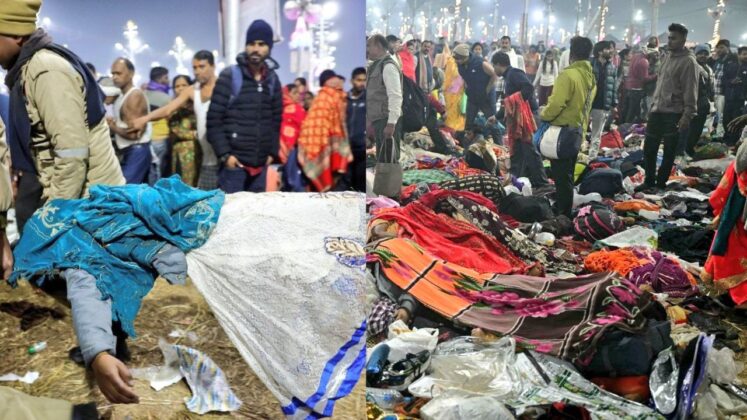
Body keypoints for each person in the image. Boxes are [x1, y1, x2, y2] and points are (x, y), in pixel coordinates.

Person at [0, 0, 129, 403]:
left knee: (74, 272)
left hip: (89, 196)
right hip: (77, 194)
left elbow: (71, 154)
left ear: (16, 34)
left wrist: (54, 216)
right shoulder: (28, 70)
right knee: (74, 275)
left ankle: (110, 352)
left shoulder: (45, 70)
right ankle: (108, 346)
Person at [206, 19, 282, 193]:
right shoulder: (230, 76)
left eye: (262, 44)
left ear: (269, 48)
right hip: (234, 166)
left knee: (255, 216)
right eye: (251, 43)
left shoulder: (272, 80)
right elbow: (213, 120)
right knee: (231, 216)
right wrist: (226, 156)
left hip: (261, 166)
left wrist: (271, 153)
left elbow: (276, 121)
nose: (256, 49)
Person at [130, 51, 220, 190]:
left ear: (213, 66)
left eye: (201, 67)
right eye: (194, 68)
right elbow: (168, 109)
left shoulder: (223, 86)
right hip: (206, 157)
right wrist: (145, 118)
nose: (197, 71)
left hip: (222, 151)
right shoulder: (192, 90)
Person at [637, 23, 698, 194]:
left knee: (669, 151)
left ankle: (660, 183)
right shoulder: (667, 57)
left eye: (674, 38)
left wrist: (687, 115)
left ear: (683, 40)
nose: (670, 41)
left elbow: (690, 90)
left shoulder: (688, 62)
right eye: (669, 38)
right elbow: (660, 84)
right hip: (657, 111)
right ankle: (649, 181)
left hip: (674, 113)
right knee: (649, 148)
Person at [540, 36, 596, 218]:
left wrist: (543, 115)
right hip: (578, 130)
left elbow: (557, 104)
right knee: (568, 174)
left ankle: (563, 213)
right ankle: (566, 209)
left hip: (562, 131)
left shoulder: (568, 75)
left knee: (561, 175)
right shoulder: (590, 76)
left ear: (571, 54)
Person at [490, 52, 548, 187]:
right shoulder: (508, 77)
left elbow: (528, 87)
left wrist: (518, 104)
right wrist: (496, 116)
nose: (494, 70)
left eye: (494, 66)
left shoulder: (514, 73)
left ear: (499, 64)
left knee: (529, 150)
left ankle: (542, 183)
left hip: (527, 118)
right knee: (517, 151)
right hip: (518, 120)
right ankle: (515, 179)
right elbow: (509, 104)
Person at [297, 70, 351, 192]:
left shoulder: (337, 96)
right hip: (325, 139)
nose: (335, 81)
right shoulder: (327, 97)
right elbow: (315, 122)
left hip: (331, 139)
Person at [366, 34, 403, 198]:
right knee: (383, 159)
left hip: (386, 120)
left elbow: (395, 95)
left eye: (369, 46)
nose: (367, 50)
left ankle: (393, 197)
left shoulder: (388, 66)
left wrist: (391, 123)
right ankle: (387, 196)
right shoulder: (375, 65)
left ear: (379, 47)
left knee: (390, 160)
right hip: (379, 119)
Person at [109, 58, 152, 184]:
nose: (115, 77)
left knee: (125, 192)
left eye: (119, 73)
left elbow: (134, 134)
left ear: (131, 74)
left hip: (136, 150)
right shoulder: (122, 95)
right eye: (113, 74)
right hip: (130, 151)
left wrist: (112, 126)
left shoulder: (134, 96)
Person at [454, 43, 498, 134]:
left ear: (464, 57)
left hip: (486, 97)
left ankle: (499, 143)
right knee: (468, 123)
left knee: (492, 122)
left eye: (458, 58)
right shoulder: (460, 64)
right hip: (472, 95)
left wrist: (487, 90)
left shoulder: (480, 63)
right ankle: (466, 144)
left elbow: (494, 74)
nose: (456, 61)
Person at [682, 44, 715, 157]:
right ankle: (684, 149)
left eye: (705, 54)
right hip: (690, 103)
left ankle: (689, 148)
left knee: (697, 129)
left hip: (703, 103)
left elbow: (710, 87)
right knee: (687, 128)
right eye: (700, 53)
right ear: (695, 55)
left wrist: (711, 101)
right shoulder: (691, 67)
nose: (703, 56)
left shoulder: (709, 69)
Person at [168, 75, 200, 187]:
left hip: (199, 150)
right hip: (180, 151)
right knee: (182, 184)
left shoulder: (198, 104)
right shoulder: (171, 108)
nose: (180, 88)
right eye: (177, 86)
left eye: (184, 85)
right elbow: (176, 130)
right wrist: (196, 134)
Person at [588, 41, 618, 160]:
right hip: (588, 104)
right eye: (608, 49)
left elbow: (613, 86)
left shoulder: (612, 67)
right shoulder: (590, 64)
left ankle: (591, 157)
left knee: (597, 134)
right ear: (600, 51)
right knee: (579, 131)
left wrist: (614, 104)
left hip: (602, 105)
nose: (611, 51)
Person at [143, 66, 172, 184]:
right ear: (160, 79)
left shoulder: (142, 94)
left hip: (146, 137)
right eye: (166, 77)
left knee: (151, 170)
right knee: (159, 171)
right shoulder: (165, 98)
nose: (168, 80)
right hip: (160, 137)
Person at [622, 46, 656, 123]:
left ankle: (622, 126)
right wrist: (656, 76)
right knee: (632, 112)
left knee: (627, 110)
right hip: (637, 89)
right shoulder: (644, 61)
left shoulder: (635, 57)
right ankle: (627, 128)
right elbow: (644, 79)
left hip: (629, 87)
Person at [711, 39, 737, 137]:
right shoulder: (718, 60)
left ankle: (723, 136)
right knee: (716, 115)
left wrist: (730, 83)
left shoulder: (733, 60)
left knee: (722, 117)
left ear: (728, 48)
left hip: (724, 94)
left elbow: (731, 78)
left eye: (722, 47)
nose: (719, 50)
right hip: (715, 93)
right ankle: (716, 133)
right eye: (718, 48)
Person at [722, 46, 747, 146]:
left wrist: (743, 82)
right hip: (729, 98)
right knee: (726, 119)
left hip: (740, 100)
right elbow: (724, 80)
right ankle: (727, 139)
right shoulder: (731, 66)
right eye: (744, 54)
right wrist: (731, 82)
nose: (746, 56)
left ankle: (733, 141)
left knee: (736, 120)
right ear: (739, 54)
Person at [346, 67, 366, 192]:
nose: (361, 83)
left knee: (360, 183)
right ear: (352, 81)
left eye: (364, 80)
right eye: (359, 80)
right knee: (346, 184)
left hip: (361, 148)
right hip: (346, 149)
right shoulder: (344, 99)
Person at [279, 83, 306, 164]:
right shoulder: (279, 108)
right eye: (294, 93)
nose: (298, 95)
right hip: (284, 147)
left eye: (298, 93)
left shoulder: (298, 109)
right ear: (287, 94)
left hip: (292, 147)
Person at [442, 44, 466, 131]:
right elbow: (451, 75)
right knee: (450, 113)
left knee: (458, 112)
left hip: (459, 91)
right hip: (450, 92)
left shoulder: (463, 61)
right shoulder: (451, 61)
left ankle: (456, 131)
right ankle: (450, 130)